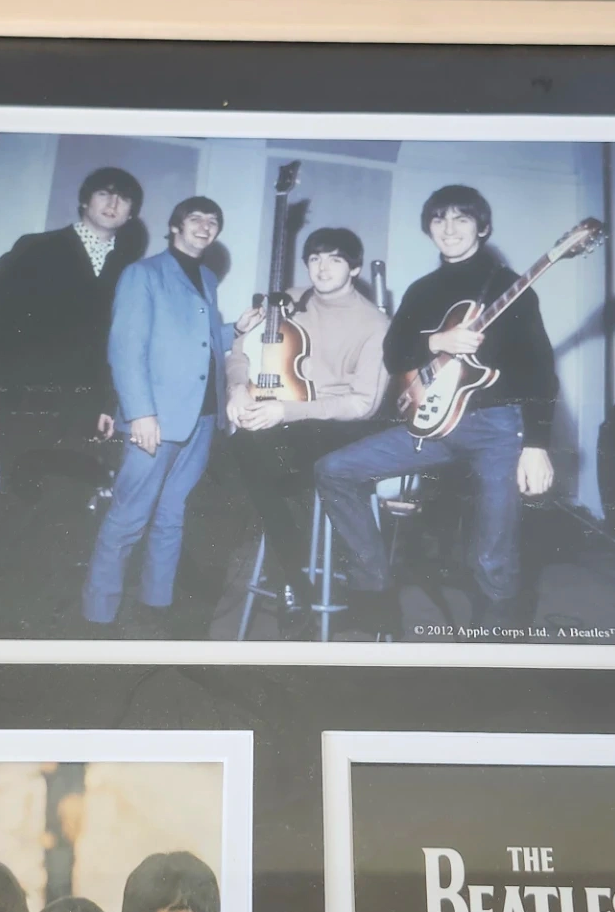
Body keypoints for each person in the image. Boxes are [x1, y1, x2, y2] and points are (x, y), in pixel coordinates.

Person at [315, 185, 559, 638]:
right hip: (431, 424)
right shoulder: (423, 289)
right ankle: (374, 591)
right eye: (439, 219)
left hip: (497, 427)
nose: (449, 228)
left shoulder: (509, 286)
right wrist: (436, 341)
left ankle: (492, 649)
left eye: (461, 219)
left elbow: (539, 369)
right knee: (334, 470)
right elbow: (394, 355)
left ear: (482, 228)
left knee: (493, 554)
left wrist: (537, 444)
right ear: (429, 228)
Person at [225, 227, 391, 637]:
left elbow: (362, 405)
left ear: (354, 268)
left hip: (335, 425)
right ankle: (294, 578)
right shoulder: (288, 301)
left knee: (255, 457)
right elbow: (241, 352)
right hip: (281, 421)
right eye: (315, 258)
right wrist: (237, 388)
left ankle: (292, 581)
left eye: (335, 259)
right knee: (231, 453)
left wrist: (287, 412)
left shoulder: (375, 324)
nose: (322, 268)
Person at [81, 197, 233, 636]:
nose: (205, 226)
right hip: (157, 418)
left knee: (173, 514)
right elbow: (126, 349)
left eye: (213, 220)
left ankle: (156, 603)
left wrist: (238, 329)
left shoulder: (207, 278)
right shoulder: (143, 274)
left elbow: (201, 343)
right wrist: (140, 413)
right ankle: (97, 615)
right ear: (175, 226)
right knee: (128, 516)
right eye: (196, 218)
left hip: (202, 418)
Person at [0, 166, 145, 495]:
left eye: (123, 199)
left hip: (85, 408)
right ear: (85, 201)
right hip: (28, 401)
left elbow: (121, 343)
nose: (113, 203)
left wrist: (107, 403)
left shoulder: (130, 269)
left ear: (131, 213)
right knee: (23, 499)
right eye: (104, 193)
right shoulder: (37, 248)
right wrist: (10, 388)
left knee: (69, 501)